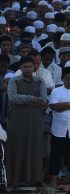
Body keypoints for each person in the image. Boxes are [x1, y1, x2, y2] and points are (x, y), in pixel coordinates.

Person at [5, 56, 47, 186]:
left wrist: (25, 101)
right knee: (15, 147)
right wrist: (32, 99)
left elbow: (43, 100)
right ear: (20, 68)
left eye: (30, 66)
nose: (28, 69)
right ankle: (12, 180)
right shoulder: (14, 81)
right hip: (17, 119)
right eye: (25, 67)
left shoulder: (40, 81)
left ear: (34, 67)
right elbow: (13, 98)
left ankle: (33, 178)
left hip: (34, 120)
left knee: (34, 147)